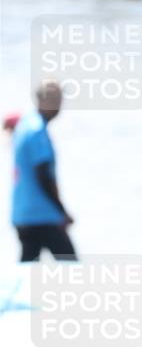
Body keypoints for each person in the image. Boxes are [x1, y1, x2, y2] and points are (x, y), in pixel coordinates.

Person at [11, 81, 78, 262]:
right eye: (54, 100)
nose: (58, 106)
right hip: (42, 215)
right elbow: (43, 177)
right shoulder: (37, 131)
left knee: (27, 268)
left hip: (23, 213)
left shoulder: (25, 124)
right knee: (71, 267)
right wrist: (62, 211)